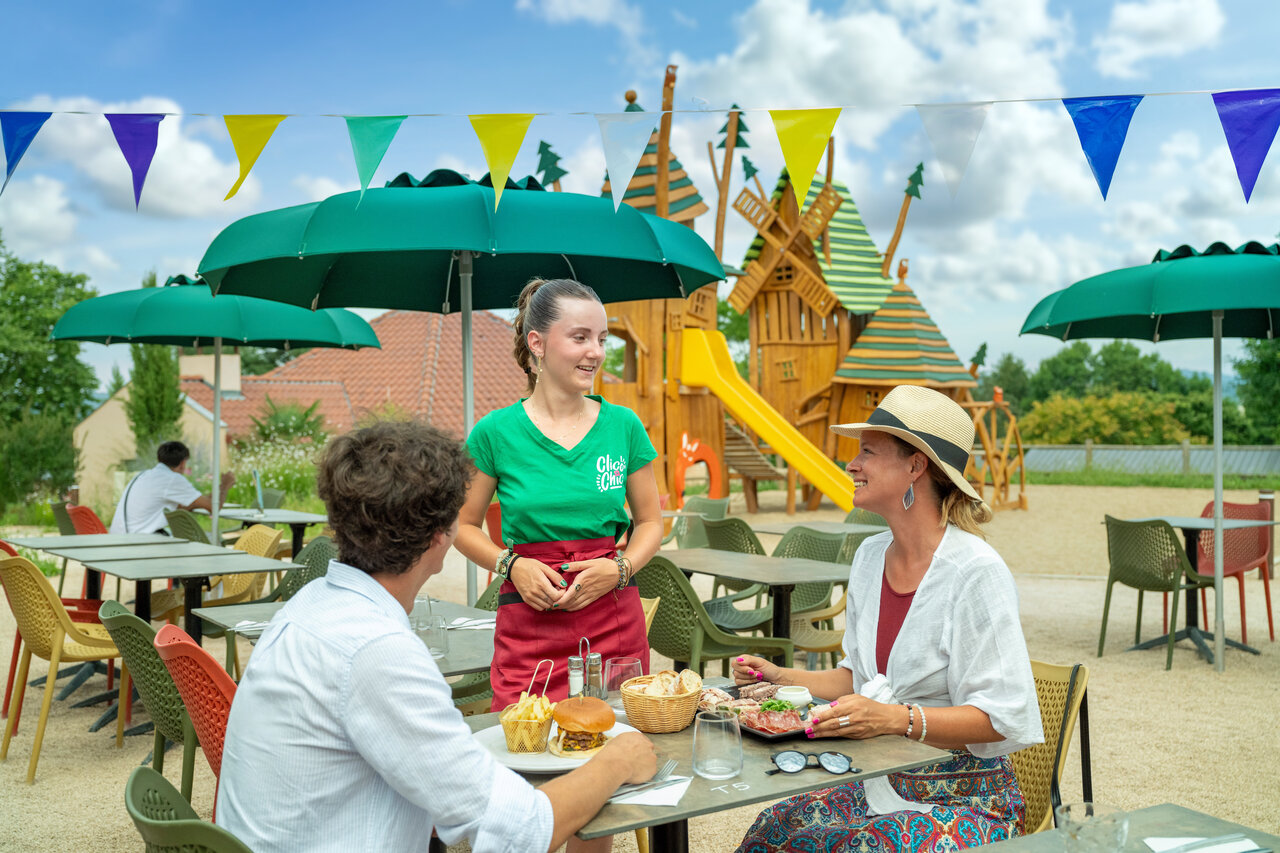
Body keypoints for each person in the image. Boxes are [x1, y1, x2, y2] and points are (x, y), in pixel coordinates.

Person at [216, 420, 657, 853]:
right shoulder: (377, 651)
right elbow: (521, 831)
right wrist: (617, 761)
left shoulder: (306, 608)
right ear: (439, 536)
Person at [733, 385, 1044, 853]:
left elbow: (1004, 717)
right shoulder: (869, 556)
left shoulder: (976, 572)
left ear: (916, 466)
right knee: (772, 829)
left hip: (967, 797)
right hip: (878, 776)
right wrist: (782, 678)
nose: (852, 465)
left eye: (868, 452)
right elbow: (859, 678)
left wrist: (896, 719)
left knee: (846, 846)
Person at [455, 278, 663, 711]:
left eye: (602, 339)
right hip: (529, 621)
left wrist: (620, 569)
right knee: (524, 741)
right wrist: (511, 566)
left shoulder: (624, 426)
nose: (596, 352)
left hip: (613, 620)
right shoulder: (494, 433)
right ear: (538, 343)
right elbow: (462, 525)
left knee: (619, 739)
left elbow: (649, 523)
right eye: (580, 337)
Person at [108, 440, 234, 534]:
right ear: (183, 463)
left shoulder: (143, 475)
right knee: (203, 543)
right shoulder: (172, 479)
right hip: (138, 542)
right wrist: (225, 485)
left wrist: (197, 502)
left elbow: (192, 504)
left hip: (120, 537)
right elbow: (213, 506)